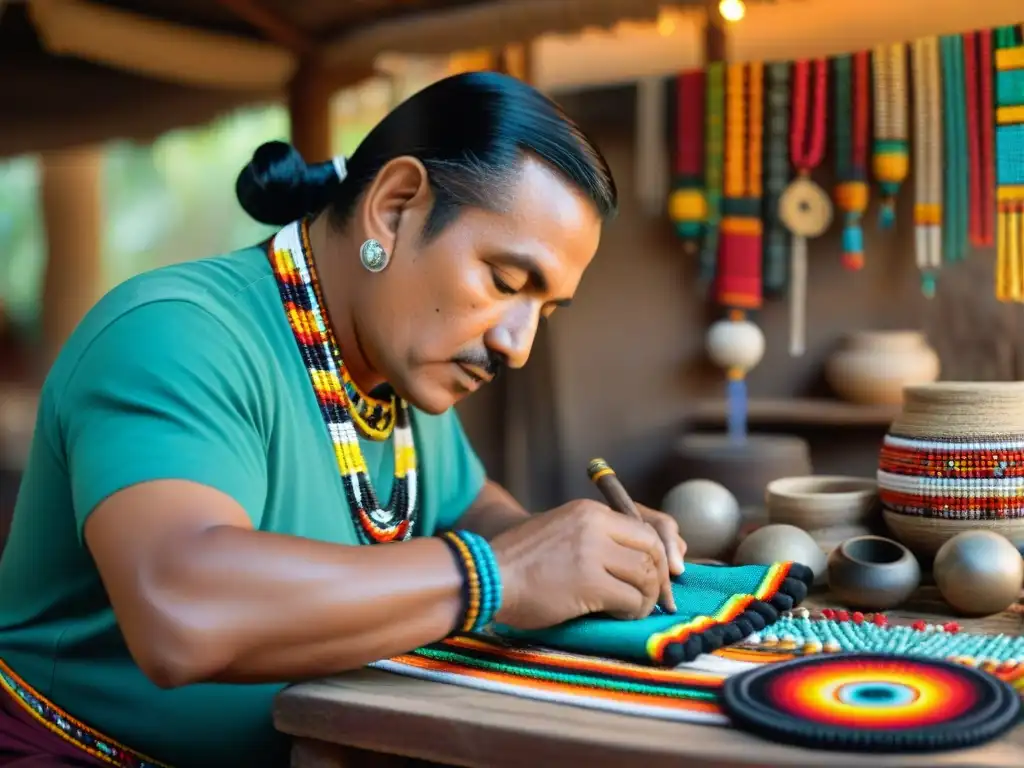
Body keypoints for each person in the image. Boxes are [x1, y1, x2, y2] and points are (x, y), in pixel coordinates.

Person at [0, 71, 687, 768]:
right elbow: (183, 609)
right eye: (506, 283)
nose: (516, 342)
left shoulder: (392, 371)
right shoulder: (174, 336)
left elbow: (469, 508)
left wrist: (581, 554)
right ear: (393, 208)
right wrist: (503, 574)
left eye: (544, 309)